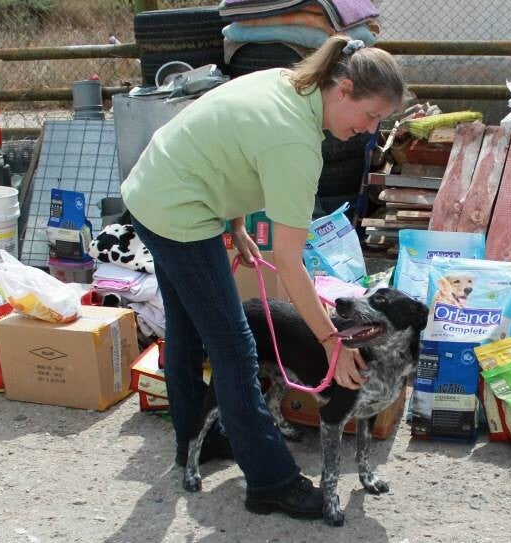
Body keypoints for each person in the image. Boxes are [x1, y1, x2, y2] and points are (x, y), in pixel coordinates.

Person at [120, 36, 404, 519]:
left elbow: (227, 148)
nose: (370, 130)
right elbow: (290, 264)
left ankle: (197, 439)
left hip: (154, 189)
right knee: (236, 350)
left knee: (188, 330)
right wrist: (332, 343)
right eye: (371, 114)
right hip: (178, 212)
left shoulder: (290, 82)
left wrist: (235, 223)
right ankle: (271, 481)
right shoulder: (295, 141)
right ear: (343, 89)